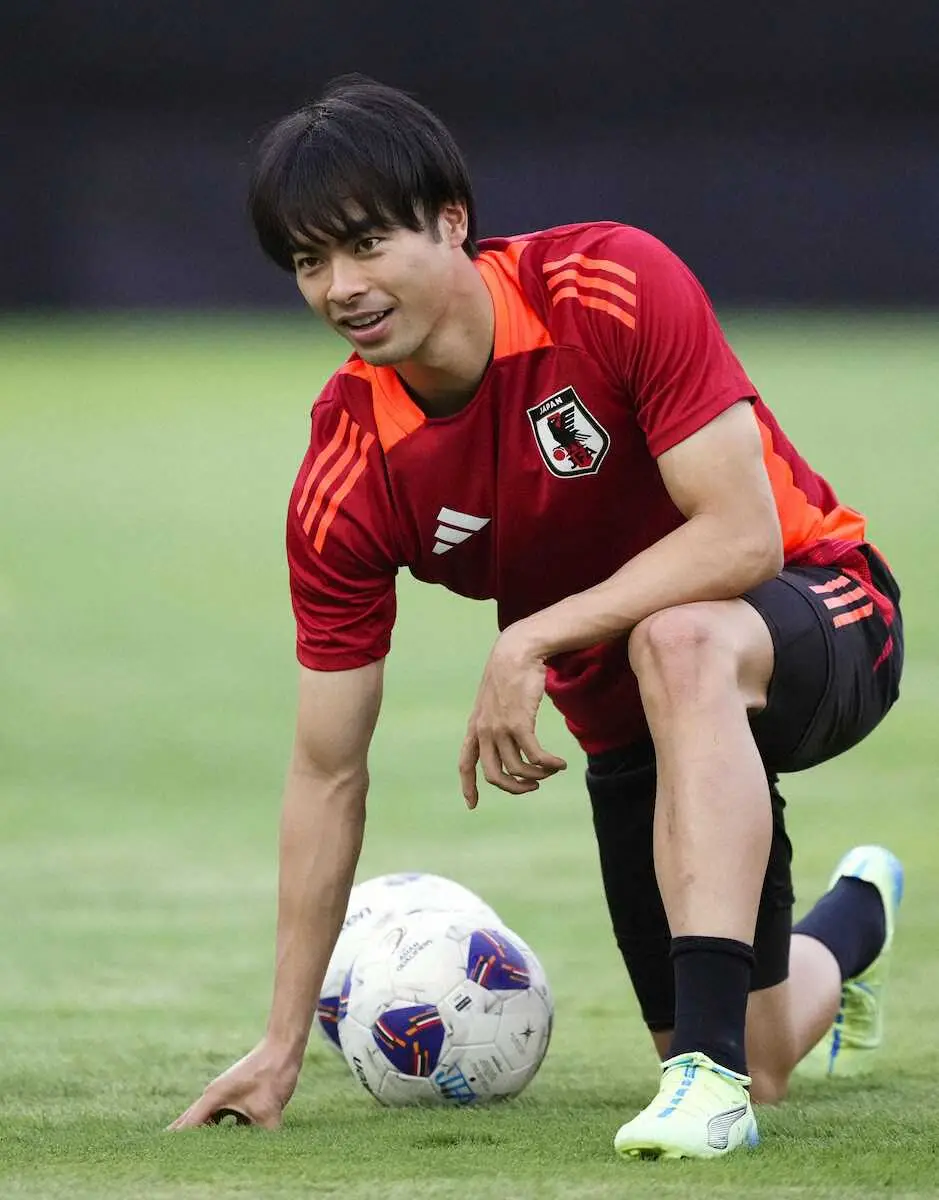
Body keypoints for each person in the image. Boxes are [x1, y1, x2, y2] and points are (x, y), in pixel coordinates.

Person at [169, 77, 905, 1159]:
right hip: (631, 720)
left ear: (450, 221)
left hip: (817, 608)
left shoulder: (608, 284)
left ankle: (704, 1090)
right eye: (309, 261)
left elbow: (742, 537)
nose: (342, 287)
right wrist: (280, 1046)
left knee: (679, 637)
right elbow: (326, 771)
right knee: (766, 1054)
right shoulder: (350, 472)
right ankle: (850, 925)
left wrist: (532, 635)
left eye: (367, 244)